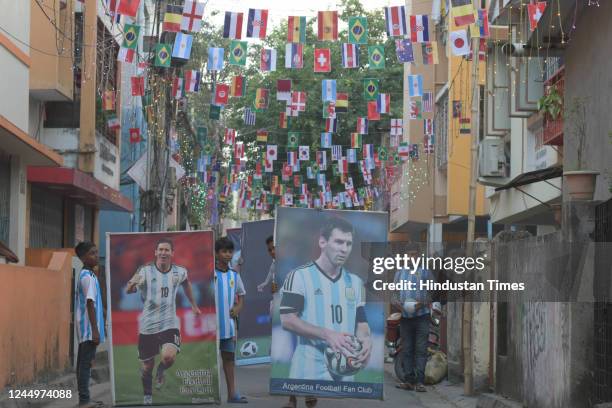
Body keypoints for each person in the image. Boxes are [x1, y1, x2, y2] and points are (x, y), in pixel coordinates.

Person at [279, 217, 372, 405]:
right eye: (338, 242)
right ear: (322, 242)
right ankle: (293, 400)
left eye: (348, 243)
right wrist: (327, 334)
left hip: (345, 364)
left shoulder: (356, 282)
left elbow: (361, 322)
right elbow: (287, 319)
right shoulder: (299, 276)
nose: (344, 249)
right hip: (309, 361)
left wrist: (367, 339)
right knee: (304, 401)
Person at [125, 238, 201, 405]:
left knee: (168, 357)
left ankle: (161, 370)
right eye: (160, 250)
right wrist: (131, 286)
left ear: (172, 253)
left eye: (167, 250)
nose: (163, 253)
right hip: (148, 325)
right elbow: (129, 289)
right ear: (155, 252)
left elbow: (186, 283)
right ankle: (147, 396)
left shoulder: (179, 272)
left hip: (169, 323)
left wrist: (194, 305)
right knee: (146, 367)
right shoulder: (144, 271)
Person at [391, 244, 436, 393]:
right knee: (407, 350)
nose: (411, 257)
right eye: (409, 255)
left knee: (421, 350)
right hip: (405, 317)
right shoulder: (399, 273)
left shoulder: (425, 272)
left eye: (414, 254)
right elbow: (394, 294)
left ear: (419, 256)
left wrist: (421, 304)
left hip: (421, 316)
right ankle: (409, 381)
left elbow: (433, 292)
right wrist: (398, 304)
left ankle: (420, 382)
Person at [214, 237, 248, 404]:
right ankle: (207, 393)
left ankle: (232, 394)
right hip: (211, 327)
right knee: (210, 360)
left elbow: (241, 297)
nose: (227, 255)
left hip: (228, 326)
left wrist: (238, 308)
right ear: (216, 253)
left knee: (229, 359)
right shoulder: (210, 273)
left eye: (229, 251)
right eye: (224, 251)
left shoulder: (234, 275)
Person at [74, 241, 106, 408]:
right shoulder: (87, 277)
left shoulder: (90, 275)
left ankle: (85, 398)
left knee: (85, 363)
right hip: (88, 329)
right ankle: (84, 400)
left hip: (88, 329)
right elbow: (89, 303)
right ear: (84, 258)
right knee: (85, 365)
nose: (96, 256)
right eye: (92, 253)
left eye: (96, 252)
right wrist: (95, 330)